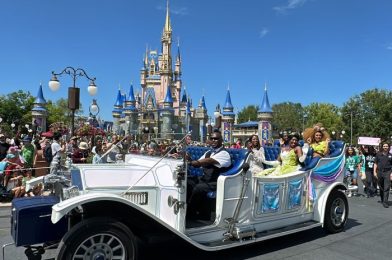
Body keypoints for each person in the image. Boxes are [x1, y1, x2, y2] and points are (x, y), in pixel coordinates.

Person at [186, 130, 232, 220]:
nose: (213, 140)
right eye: (212, 139)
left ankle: (190, 213)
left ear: (221, 140)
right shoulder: (208, 152)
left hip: (216, 182)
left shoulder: (224, 153)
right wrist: (188, 158)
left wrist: (193, 162)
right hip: (205, 179)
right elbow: (199, 163)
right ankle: (187, 207)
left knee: (198, 188)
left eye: (216, 139)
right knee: (187, 182)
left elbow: (209, 161)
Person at [374, 142, 392, 208]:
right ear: (382, 147)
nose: (385, 147)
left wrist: (391, 174)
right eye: (384, 146)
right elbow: (375, 163)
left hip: (388, 172)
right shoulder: (378, 154)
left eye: (386, 146)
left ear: (388, 147)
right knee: (381, 186)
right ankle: (382, 198)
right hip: (379, 172)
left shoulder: (391, 155)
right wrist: (374, 172)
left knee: (387, 187)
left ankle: (385, 202)